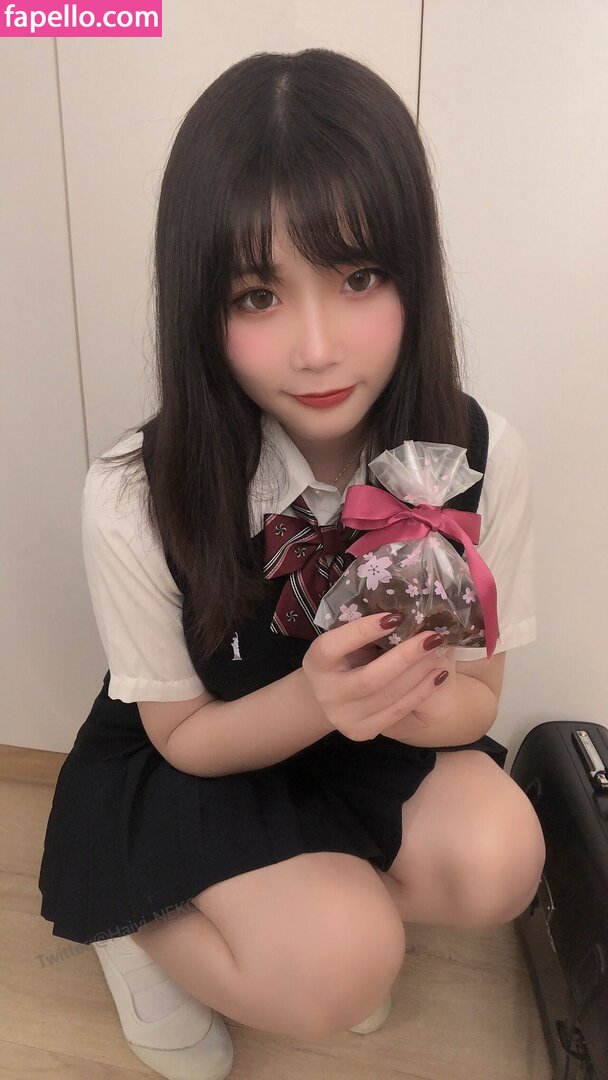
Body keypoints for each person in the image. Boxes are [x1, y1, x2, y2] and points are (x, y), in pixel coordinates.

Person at [37, 47, 543, 1080]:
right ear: (200, 306)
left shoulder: (478, 455)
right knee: (339, 966)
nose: (317, 347)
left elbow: (478, 700)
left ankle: (317, 917)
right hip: (202, 750)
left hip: (355, 741)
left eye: (357, 278)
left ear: (414, 272)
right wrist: (316, 699)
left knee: (502, 858)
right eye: (258, 295)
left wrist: (403, 691)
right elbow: (183, 738)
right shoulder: (135, 493)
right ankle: (140, 930)